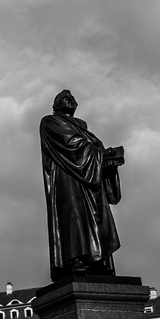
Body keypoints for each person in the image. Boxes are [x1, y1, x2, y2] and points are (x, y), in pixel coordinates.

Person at [40, 90, 124, 282]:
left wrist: (106, 158)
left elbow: (89, 147)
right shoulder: (50, 122)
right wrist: (101, 154)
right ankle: (74, 258)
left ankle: (97, 258)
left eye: (72, 98)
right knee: (73, 217)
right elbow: (70, 145)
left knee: (96, 217)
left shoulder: (82, 126)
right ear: (56, 105)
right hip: (67, 177)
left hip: (90, 179)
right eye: (64, 98)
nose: (70, 100)